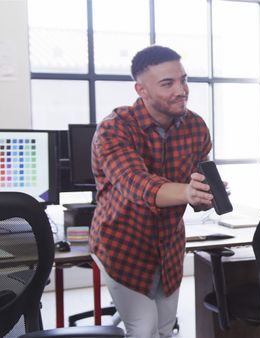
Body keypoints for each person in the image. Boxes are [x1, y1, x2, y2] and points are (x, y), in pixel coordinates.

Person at [90, 45, 214, 338]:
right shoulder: (114, 129)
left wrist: (207, 194)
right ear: (141, 89)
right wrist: (188, 192)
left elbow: (201, 177)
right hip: (122, 246)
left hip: (169, 248)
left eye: (183, 80)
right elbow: (137, 184)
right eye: (167, 84)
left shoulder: (196, 127)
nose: (181, 90)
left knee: (163, 328)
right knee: (143, 327)